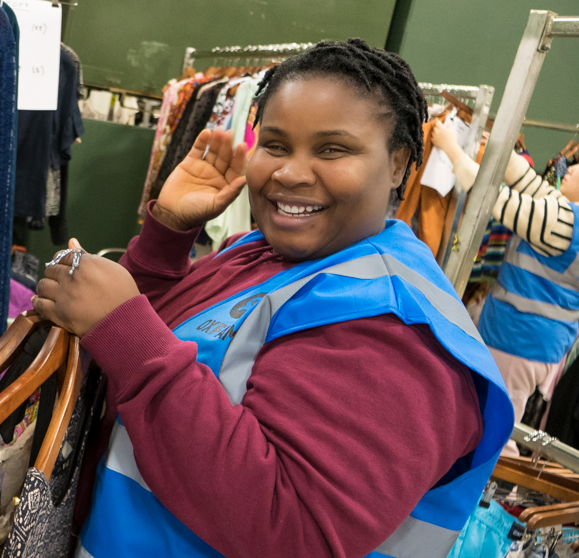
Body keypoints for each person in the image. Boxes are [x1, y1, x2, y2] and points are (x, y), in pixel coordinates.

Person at [32, 39, 513, 557]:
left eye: (332, 149)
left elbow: (295, 531)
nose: (290, 172)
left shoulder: (394, 326)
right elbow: (163, 355)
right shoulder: (266, 252)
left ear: (398, 165)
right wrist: (166, 238)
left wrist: (124, 326)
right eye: (276, 145)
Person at [432, 122, 579, 455]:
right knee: (490, 417)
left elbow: (488, 195)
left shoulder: (563, 226)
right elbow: (533, 186)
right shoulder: (566, 216)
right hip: (533, 342)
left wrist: (451, 146)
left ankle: (488, 499)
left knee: (495, 428)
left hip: (520, 341)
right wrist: (496, 146)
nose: (567, 168)